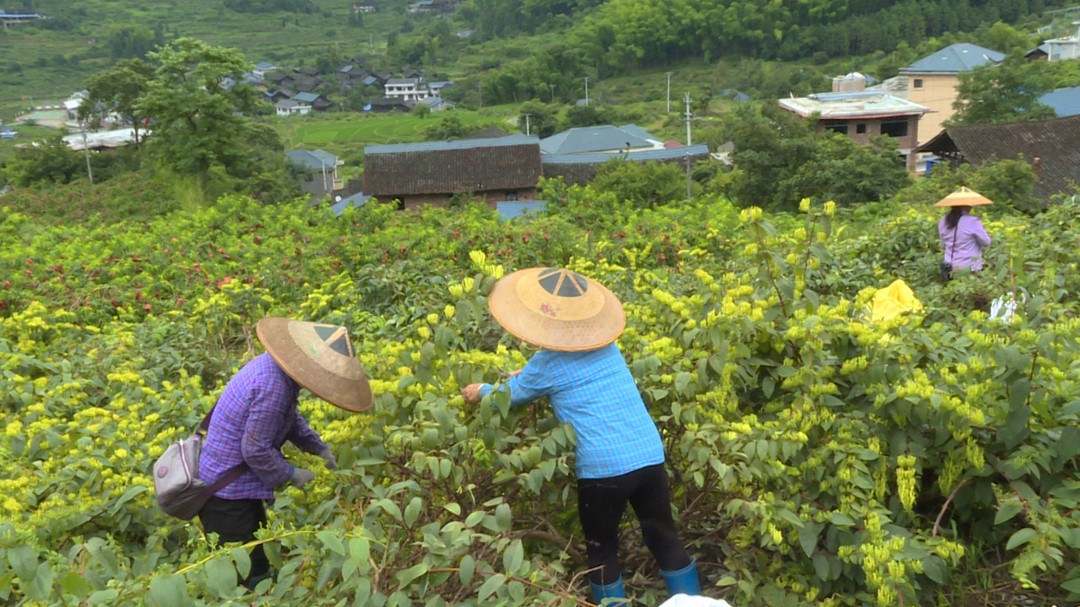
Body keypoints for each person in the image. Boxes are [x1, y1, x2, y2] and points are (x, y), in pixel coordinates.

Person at [461, 268, 701, 604]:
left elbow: (511, 395)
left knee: (602, 553)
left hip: (603, 470)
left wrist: (479, 390)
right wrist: (528, 373)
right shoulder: (607, 346)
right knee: (665, 540)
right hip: (648, 455)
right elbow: (558, 372)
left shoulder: (546, 363)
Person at [198, 317, 372, 590]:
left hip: (238, 488)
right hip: (225, 497)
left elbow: (288, 418)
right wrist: (292, 474)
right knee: (243, 580)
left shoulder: (274, 369)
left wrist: (318, 447)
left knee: (260, 558)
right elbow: (254, 450)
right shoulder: (273, 386)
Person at [936, 186, 992, 278]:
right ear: (966, 206)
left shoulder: (943, 221)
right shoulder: (972, 221)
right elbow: (986, 242)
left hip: (949, 268)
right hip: (970, 267)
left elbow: (943, 245)